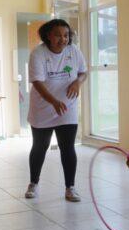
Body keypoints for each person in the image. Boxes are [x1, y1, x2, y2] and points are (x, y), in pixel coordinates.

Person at [24, 19, 87, 202]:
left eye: (66, 35)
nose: (63, 39)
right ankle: (33, 183)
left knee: (67, 147)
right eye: (58, 35)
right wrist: (53, 102)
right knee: (40, 146)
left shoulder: (73, 51)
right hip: (43, 108)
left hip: (67, 107)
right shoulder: (38, 53)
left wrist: (77, 82)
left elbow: (83, 72)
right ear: (48, 36)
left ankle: (70, 187)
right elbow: (37, 83)